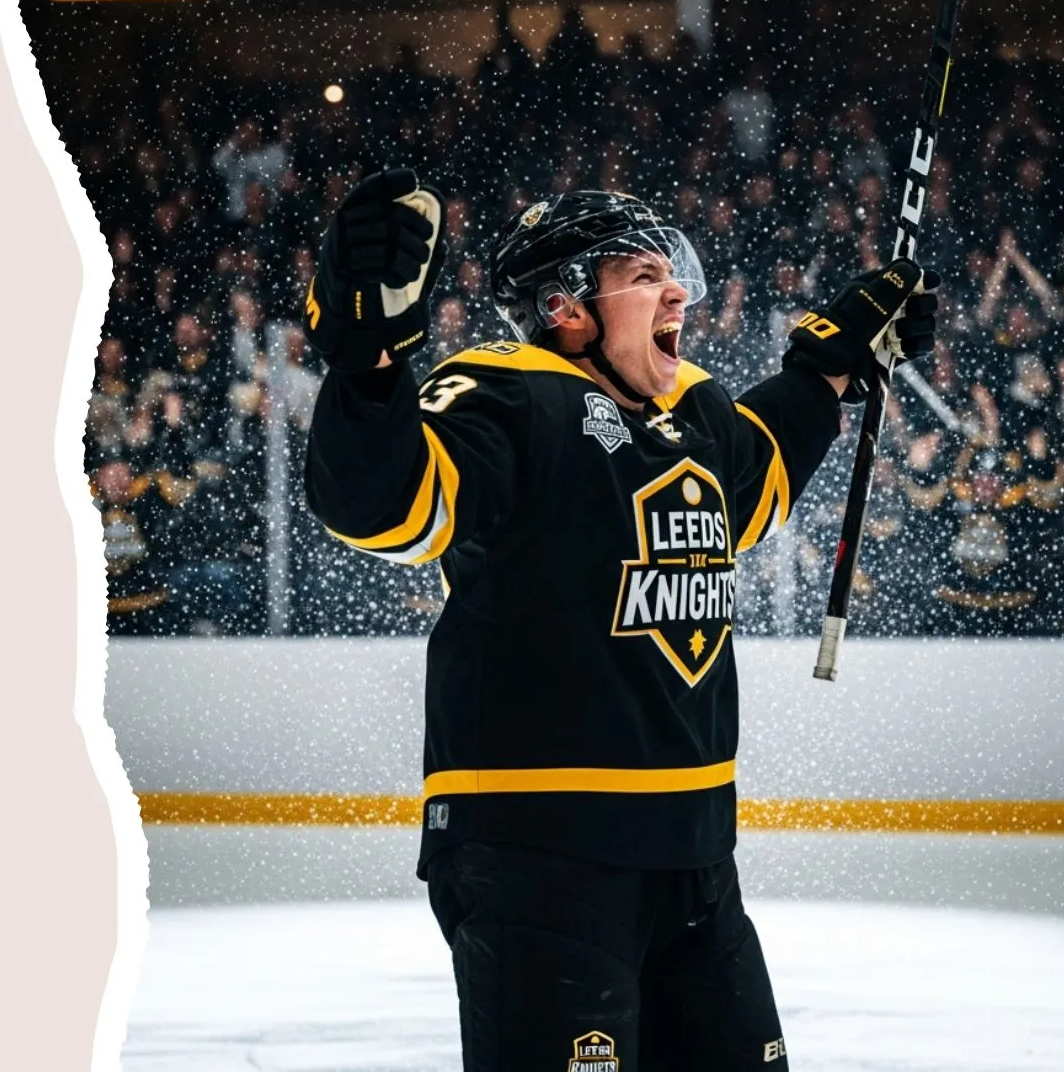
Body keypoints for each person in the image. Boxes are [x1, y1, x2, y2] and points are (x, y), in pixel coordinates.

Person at [299, 171, 936, 1072]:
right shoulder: (507, 390)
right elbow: (385, 505)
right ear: (565, 305)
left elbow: (757, 474)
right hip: (540, 858)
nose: (676, 291)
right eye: (643, 276)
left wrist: (831, 363)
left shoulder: (696, 412)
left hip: (697, 862)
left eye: (671, 273)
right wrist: (367, 368)